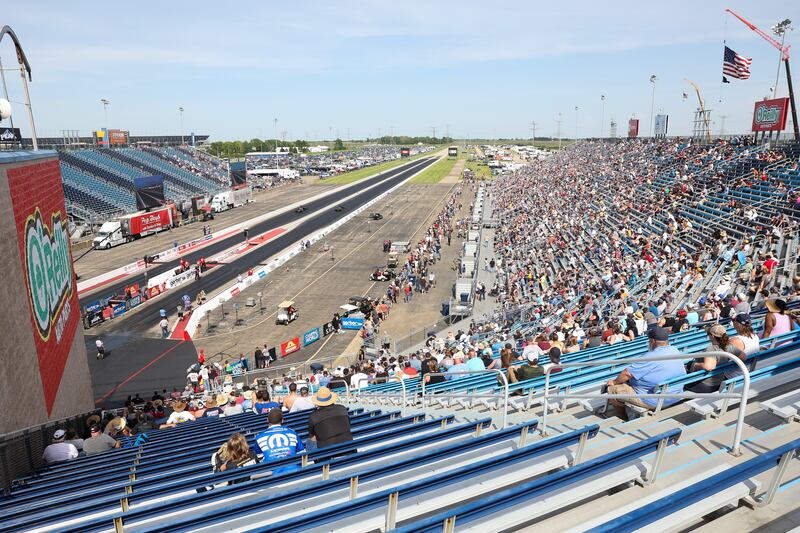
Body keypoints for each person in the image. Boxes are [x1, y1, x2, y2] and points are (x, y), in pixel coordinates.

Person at [605, 328, 686, 420]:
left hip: (655, 400)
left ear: (653, 341)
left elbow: (627, 373)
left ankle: (623, 417)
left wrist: (614, 382)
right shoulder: (674, 350)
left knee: (611, 389)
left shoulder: (651, 356)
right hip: (675, 394)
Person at [686, 324, 750, 394]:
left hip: (707, 385)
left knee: (681, 382)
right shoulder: (730, 346)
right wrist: (727, 362)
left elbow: (709, 367)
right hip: (720, 382)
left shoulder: (711, 349)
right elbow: (744, 357)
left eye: (708, 334)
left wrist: (696, 365)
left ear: (712, 336)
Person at [255, 408, 305, 474]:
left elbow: (260, 459)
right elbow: (302, 453)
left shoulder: (259, 437)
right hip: (295, 470)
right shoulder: (292, 432)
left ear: (267, 420)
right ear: (282, 420)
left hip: (272, 474)